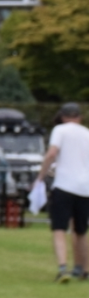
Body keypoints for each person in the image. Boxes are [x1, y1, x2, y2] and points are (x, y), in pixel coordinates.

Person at [39, 102, 89, 282]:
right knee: (81, 230)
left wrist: (41, 175)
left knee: (59, 228)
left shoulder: (60, 130)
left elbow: (52, 153)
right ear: (79, 117)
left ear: (62, 116)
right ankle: (84, 268)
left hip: (64, 184)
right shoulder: (86, 133)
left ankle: (62, 268)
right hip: (84, 188)